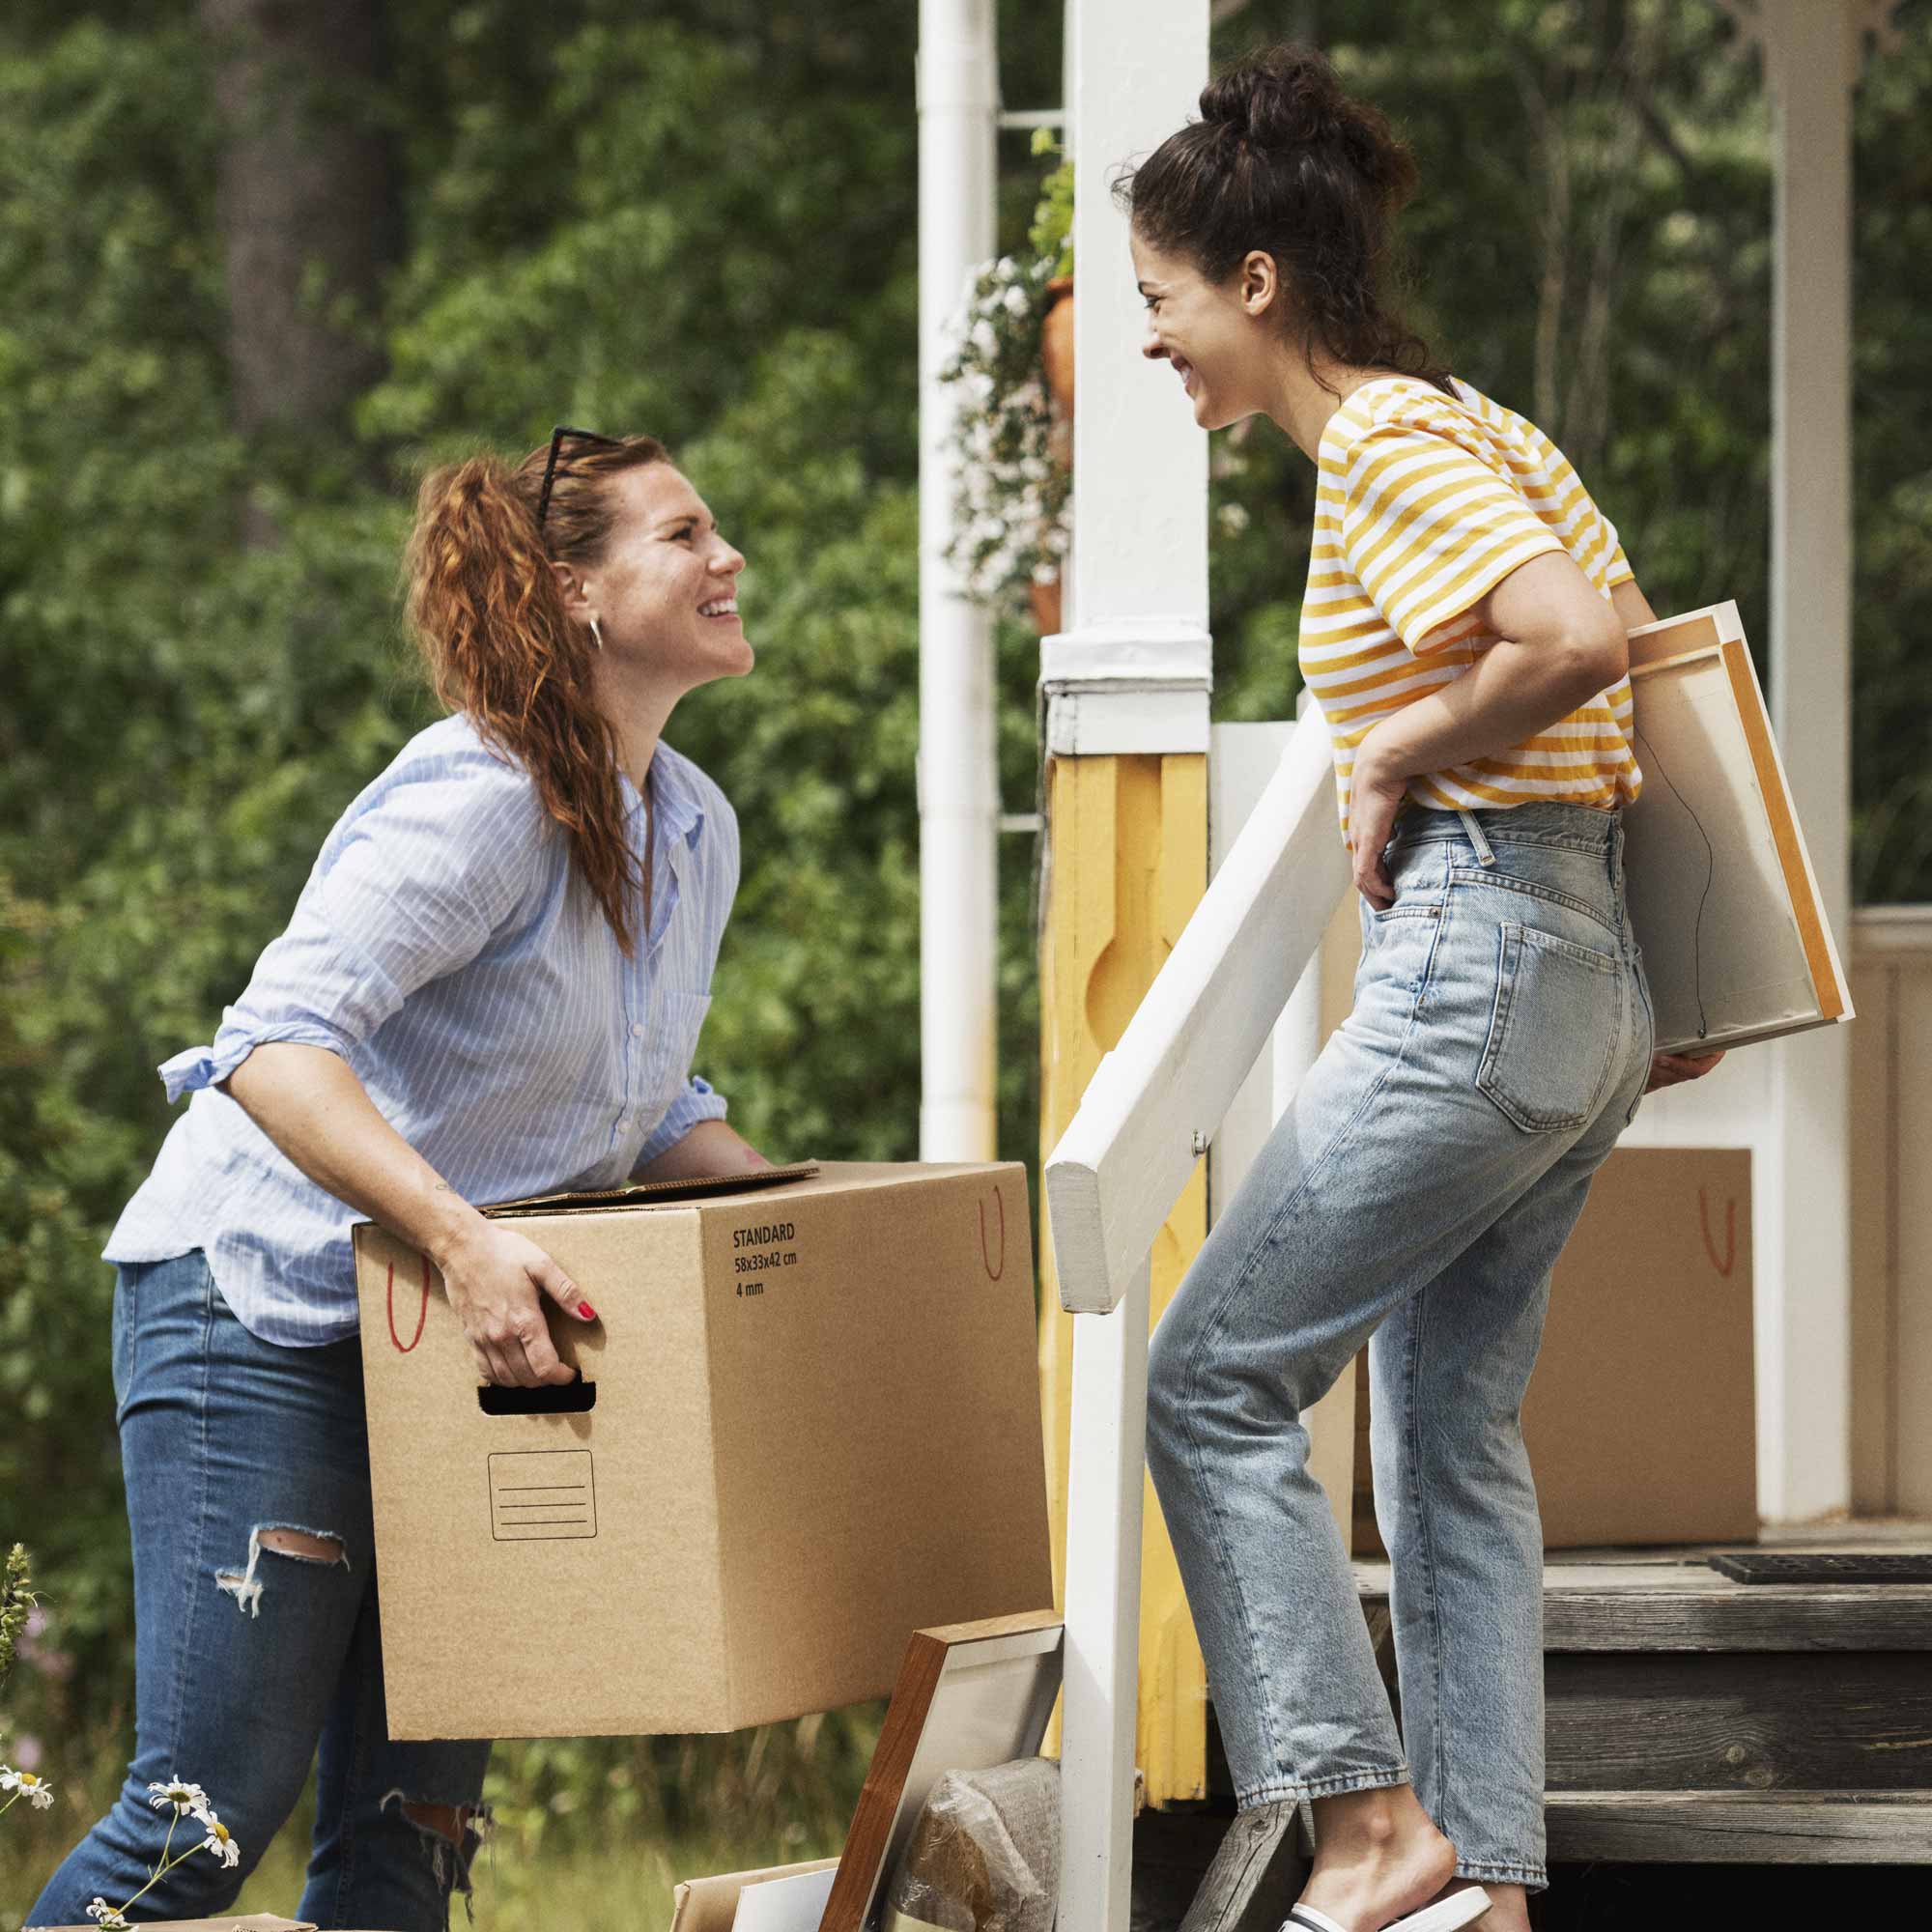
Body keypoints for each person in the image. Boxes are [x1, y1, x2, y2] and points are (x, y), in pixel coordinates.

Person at [1122, 43, 1723, 1932]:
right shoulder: (1475, 422)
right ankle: (1490, 1885)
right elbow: (1620, 655)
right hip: (1579, 979)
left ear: (1255, 285)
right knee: (1447, 1430)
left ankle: (1372, 1832)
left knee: (1210, 1379)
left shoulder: (1381, 442)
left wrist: (1395, 760)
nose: (1155, 347)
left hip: (1482, 962)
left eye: (1157, 304)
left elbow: (1572, 641)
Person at [30, 428, 770, 1931]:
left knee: (411, 1840)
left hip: (435, 1346)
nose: (728, 557)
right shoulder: (485, 794)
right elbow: (274, 1044)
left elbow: (643, 1092)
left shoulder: (692, 828)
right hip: (262, 1315)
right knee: (202, 1825)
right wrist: (462, 1242)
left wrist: (793, 1222)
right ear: (577, 592)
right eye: (684, 534)